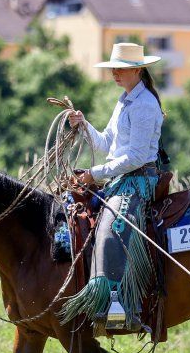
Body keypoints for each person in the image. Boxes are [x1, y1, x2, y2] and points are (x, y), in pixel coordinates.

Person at [59, 42, 168, 335]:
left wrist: (94, 174)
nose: (115, 74)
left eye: (119, 69)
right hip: (121, 179)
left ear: (137, 70)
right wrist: (83, 125)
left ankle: (120, 309)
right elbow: (106, 143)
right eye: (113, 69)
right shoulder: (125, 99)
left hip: (139, 182)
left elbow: (134, 158)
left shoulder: (145, 105)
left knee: (110, 230)